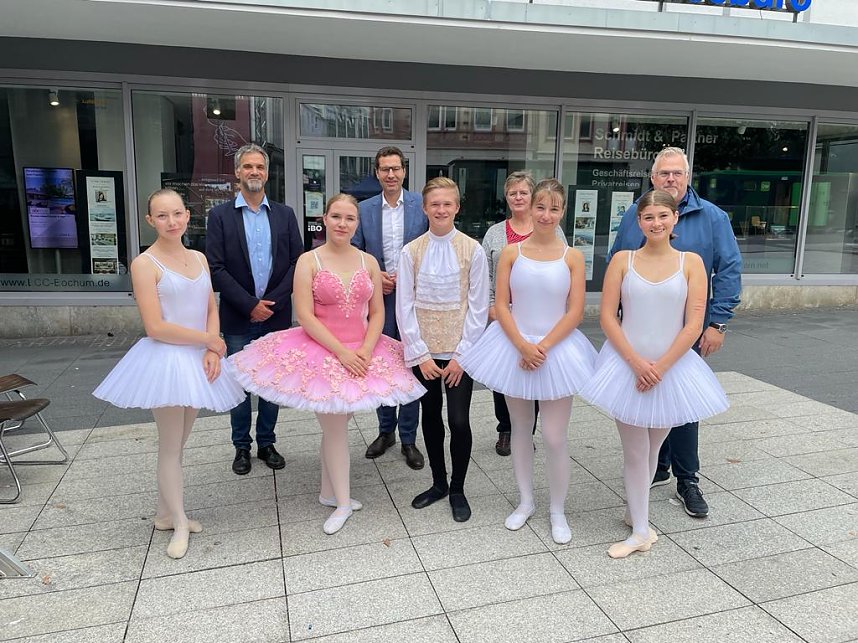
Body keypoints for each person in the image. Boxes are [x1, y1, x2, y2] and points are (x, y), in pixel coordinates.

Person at [228, 194, 425, 534]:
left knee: (337, 425)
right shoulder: (309, 260)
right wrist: (342, 353)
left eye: (349, 218)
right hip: (323, 351)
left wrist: (364, 347)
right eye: (336, 216)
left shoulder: (368, 261)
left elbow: (378, 310)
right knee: (335, 429)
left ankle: (328, 492)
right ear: (325, 218)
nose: (342, 223)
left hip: (364, 349)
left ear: (356, 224)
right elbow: (304, 315)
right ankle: (344, 502)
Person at [93, 189, 245, 559]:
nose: (172, 221)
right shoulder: (145, 264)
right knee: (170, 446)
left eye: (177, 213)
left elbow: (211, 304)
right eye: (162, 216)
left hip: (197, 359)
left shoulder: (199, 258)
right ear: (150, 220)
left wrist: (211, 346)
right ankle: (178, 521)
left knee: (179, 444)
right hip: (165, 361)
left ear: (187, 216)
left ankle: (164, 513)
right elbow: (155, 327)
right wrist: (208, 339)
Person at [584, 189, 729, 557]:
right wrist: (635, 363)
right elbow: (607, 317)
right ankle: (641, 531)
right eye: (648, 217)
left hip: (672, 368)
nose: (656, 223)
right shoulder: (622, 260)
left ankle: (637, 515)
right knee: (635, 451)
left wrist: (661, 367)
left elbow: (694, 321)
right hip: (626, 365)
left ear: (675, 218)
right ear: (639, 221)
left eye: (663, 216)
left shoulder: (692, 263)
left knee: (652, 449)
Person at [460, 179, 596, 544]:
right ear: (529, 209)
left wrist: (544, 346)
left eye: (554, 208)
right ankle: (525, 501)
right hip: (513, 347)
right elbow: (500, 303)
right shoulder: (511, 253)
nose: (546, 215)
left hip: (557, 350)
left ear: (563, 212)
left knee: (553, 436)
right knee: (520, 430)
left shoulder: (572, 257)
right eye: (541, 207)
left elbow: (576, 309)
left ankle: (557, 510)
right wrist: (521, 344)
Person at [608, 146, 741, 518]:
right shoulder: (636, 215)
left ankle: (687, 478)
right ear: (653, 178)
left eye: (677, 173)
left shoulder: (712, 217)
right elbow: (619, 264)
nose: (670, 179)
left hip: (685, 335)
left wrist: (717, 323)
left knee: (681, 407)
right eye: (664, 173)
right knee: (646, 405)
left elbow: (729, 269)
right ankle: (658, 469)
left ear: (687, 177)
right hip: (638, 336)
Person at [206, 143, 303, 476]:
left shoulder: (285, 214)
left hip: (275, 317)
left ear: (267, 172)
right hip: (238, 317)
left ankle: (266, 442)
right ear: (237, 172)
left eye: (259, 167)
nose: (254, 172)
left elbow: (296, 262)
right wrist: (250, 305)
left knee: (271, 385)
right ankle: (241, 447)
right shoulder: (219, 216)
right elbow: (216, 268)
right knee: (240, 387)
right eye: (248, 167)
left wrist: (269, 304)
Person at [396, 177, 489, 522]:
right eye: (434, 204)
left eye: (447, 203)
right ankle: (438, 482)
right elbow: (403, 305)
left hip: (458, 354)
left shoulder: (472, 250)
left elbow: (478, 307)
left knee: (459, 420)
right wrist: (419, 353)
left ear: (457, 207)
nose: (441, 209)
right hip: (423, 352)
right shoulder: (411, 251)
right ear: (424, 208)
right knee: (430, 417)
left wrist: (461, 356)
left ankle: (458, 488)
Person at [352, 146, 429, 470]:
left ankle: (409, 438)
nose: (391, 174)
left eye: (396, 168)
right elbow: (354, 252)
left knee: (410, 366)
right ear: (377, 172)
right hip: (378, 300)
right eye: (384, 169)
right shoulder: (365, 209)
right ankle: (386, 432)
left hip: (414, 301)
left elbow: (431, 248)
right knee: (382, 366)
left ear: (404, 171)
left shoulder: (421, 207)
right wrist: (374, 277)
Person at [481, 171, 566, 456]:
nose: (518, 197)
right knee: (503, 377)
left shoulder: (549, 228)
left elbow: (562, 273)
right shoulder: (495, 234)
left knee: (538, 372)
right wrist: (493, 307)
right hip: (503, 316)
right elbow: (486, 275)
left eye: (523, 192)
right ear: (507, 198)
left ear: (532, 198)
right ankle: (506, 428)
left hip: (542, 317)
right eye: (512, 193)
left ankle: (527, 430)